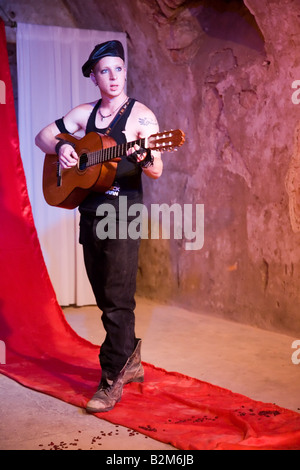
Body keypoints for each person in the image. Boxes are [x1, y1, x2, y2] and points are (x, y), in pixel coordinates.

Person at [35, 40, 163, 413]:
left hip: (123, 213)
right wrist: (62, 147)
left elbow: (156, 168)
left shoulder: (141, 116)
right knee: (104, 297)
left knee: (117, 300)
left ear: (125, 71)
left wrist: (144, 156)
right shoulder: (84, 114)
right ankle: (132, 357)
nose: (113, 77)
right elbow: (42, 137)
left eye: (118, 69)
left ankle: (112, 378)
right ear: (93, 76)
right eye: (104, 70)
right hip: (90, 211)